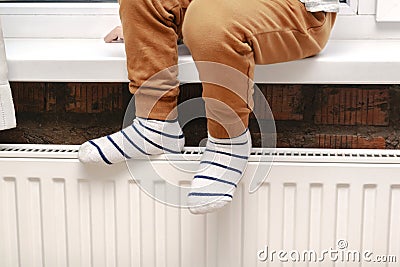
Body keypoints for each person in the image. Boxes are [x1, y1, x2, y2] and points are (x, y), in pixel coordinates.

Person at [79, 0, 339, 214]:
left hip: (297, 9)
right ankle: (154, 125)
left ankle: (229, 142)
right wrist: (145, 26)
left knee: (209, 23)